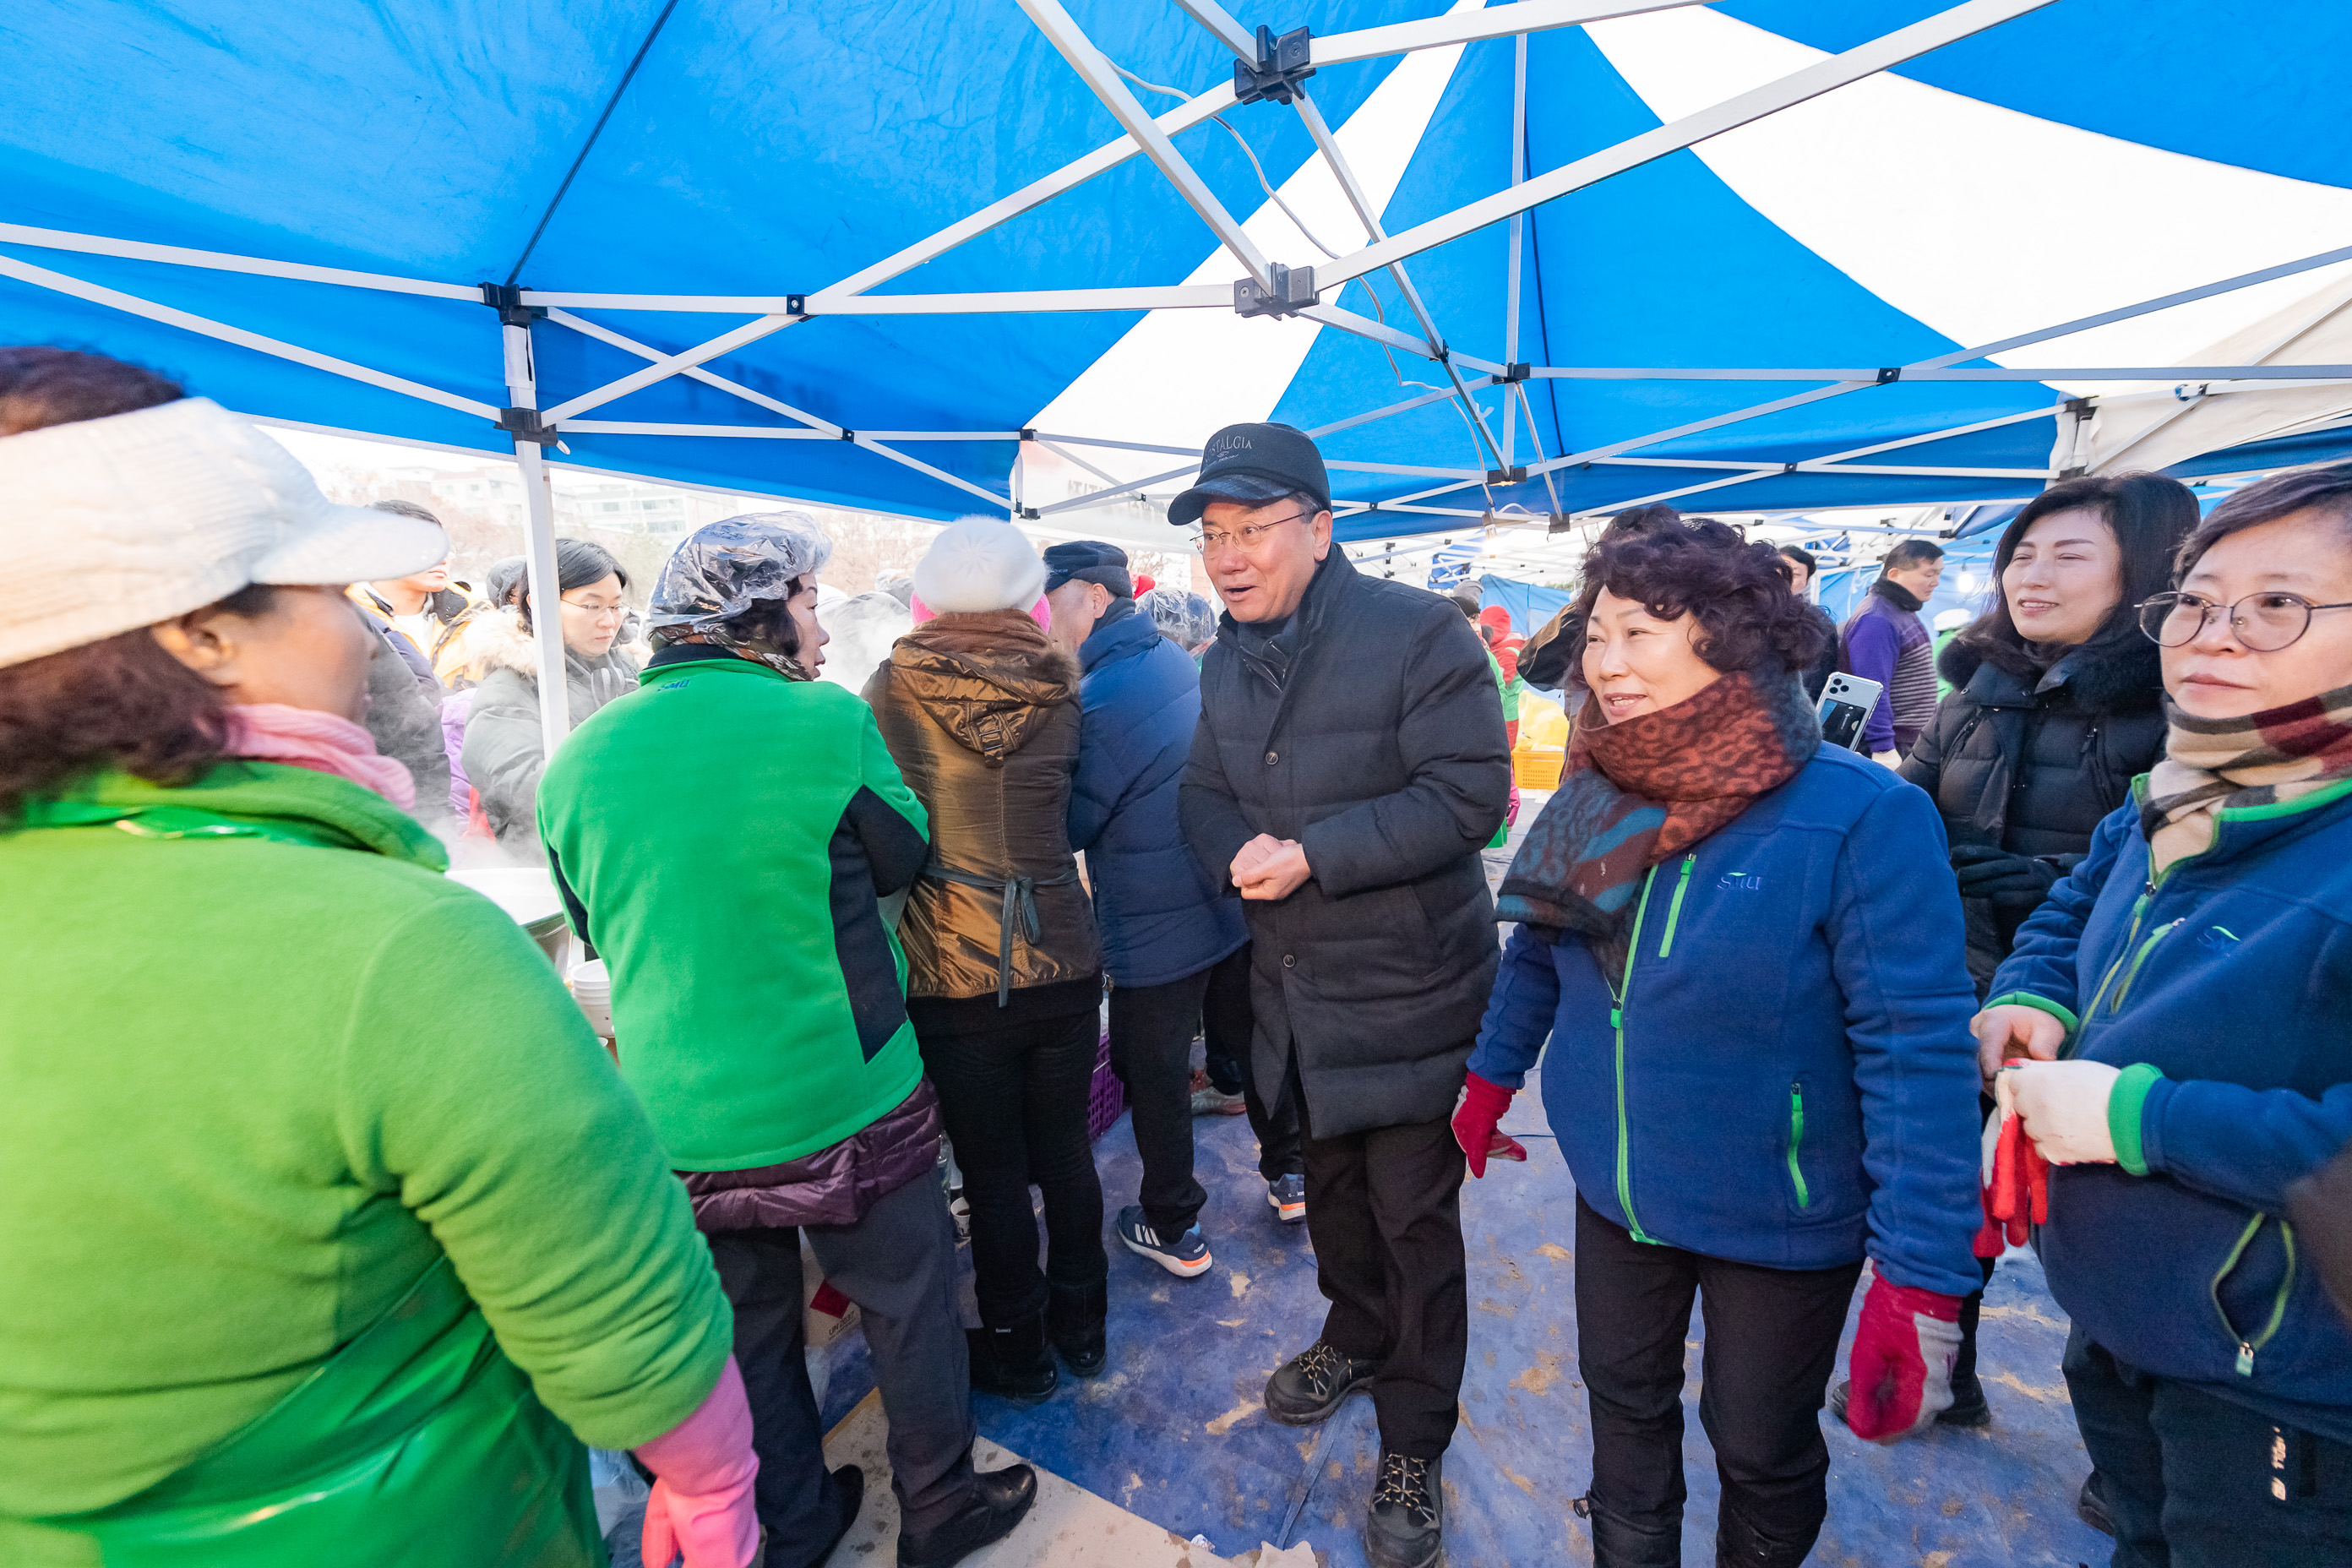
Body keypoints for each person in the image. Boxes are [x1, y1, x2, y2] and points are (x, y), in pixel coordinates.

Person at [0, 360, 757, 1568]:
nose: (361, 627)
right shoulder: (390, 946)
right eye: (328, 589)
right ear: (203, 635)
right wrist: (715, 1480)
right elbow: (618, 1305)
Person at [1451, 512, 1983, 1568]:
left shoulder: (1856, 812)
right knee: (1624, 1407)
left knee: (1759, 1442)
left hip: (1778, 1210)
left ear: (1732, 637)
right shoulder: (1599, 787)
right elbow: (1538, 951)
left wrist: (1923, 1275)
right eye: (1597, 633)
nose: (1606, 663)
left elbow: (1914, 1048)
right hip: (1620, 1189)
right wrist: (1489, 1075)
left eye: (1640, 633)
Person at [538, 514, 1037, 1568]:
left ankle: (797, 1520)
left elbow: (593, 923)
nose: (818, 622)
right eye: (807, 600)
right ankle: (940, 1505)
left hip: (682, 1117)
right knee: (906, 1297)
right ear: (754, 617)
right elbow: (904, 853)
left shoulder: (576, 761)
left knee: (749, 1330)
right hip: (841, 1094)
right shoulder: (822, 723)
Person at [1982, 463, 2352, 1565]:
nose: (2213, 635)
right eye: (2194, 600)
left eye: (2276, 604)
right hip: (2125, 1313)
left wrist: (2137, 1117)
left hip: (2278, 1376)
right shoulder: (2182, 793)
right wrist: (2030, 997)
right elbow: (2067, 913)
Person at [1176, 422, 1510, 1568]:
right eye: (1212, 536)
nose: (1227, 555)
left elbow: (1471, 798)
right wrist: (1235, 852)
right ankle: (1353, 1335)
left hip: (1408, 988)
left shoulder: (1420, 633)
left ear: (1319, 531)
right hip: (1294, 995)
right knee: (1332, 1194)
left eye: (1250, 530)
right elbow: (1202, 789)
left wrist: (1312, 849)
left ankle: (1415, 1434)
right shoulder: (1223, 655)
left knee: (1416, 1218)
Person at [864, 516, 1107, 1402]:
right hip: (1066, 957)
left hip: (951, 970)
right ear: (1024, 597)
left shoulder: (891, 685)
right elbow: (1075, 810)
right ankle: (1085, 1329)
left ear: (930, 596)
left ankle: (1022, 1350)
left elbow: (879, 829)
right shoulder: (1066, 683)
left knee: (994, 1173)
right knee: (1067, 1153)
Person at [1044, 541, 1256, 1274]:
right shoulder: (1164, 658)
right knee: (1244, 1040)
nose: (1047, 619)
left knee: (1153, 1072)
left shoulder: (1103, 698)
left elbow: (1073, 821)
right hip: (1211, 899)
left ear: (1094, 600)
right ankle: (1290, 1175)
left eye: (1055, 601)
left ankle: (1173, 1224)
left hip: (1153, 921)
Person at [460, 538, 636, 856]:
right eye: (591, 605)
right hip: (549, 866)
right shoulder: (507, 691)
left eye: (615, 606)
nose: (609, 621)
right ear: (537, 603)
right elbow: (528, 792)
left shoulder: (624, 673)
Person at [1840, 536, 1944, 762]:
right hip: (1894, 745)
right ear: (1894, 574)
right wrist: (1883, 748)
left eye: (1939, 573)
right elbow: (1872, 687)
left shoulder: (1900, 611)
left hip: (1910, 741)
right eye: (1929, 574)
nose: (1936, 581)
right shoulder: (1877, 618)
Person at [1775, 544, 1842, 702]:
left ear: (1807, 581)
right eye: (1779, 571)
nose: (1785, 578)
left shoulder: (1817, 622)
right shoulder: (1748, 612)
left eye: (1795, 574)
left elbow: (1817, 676)